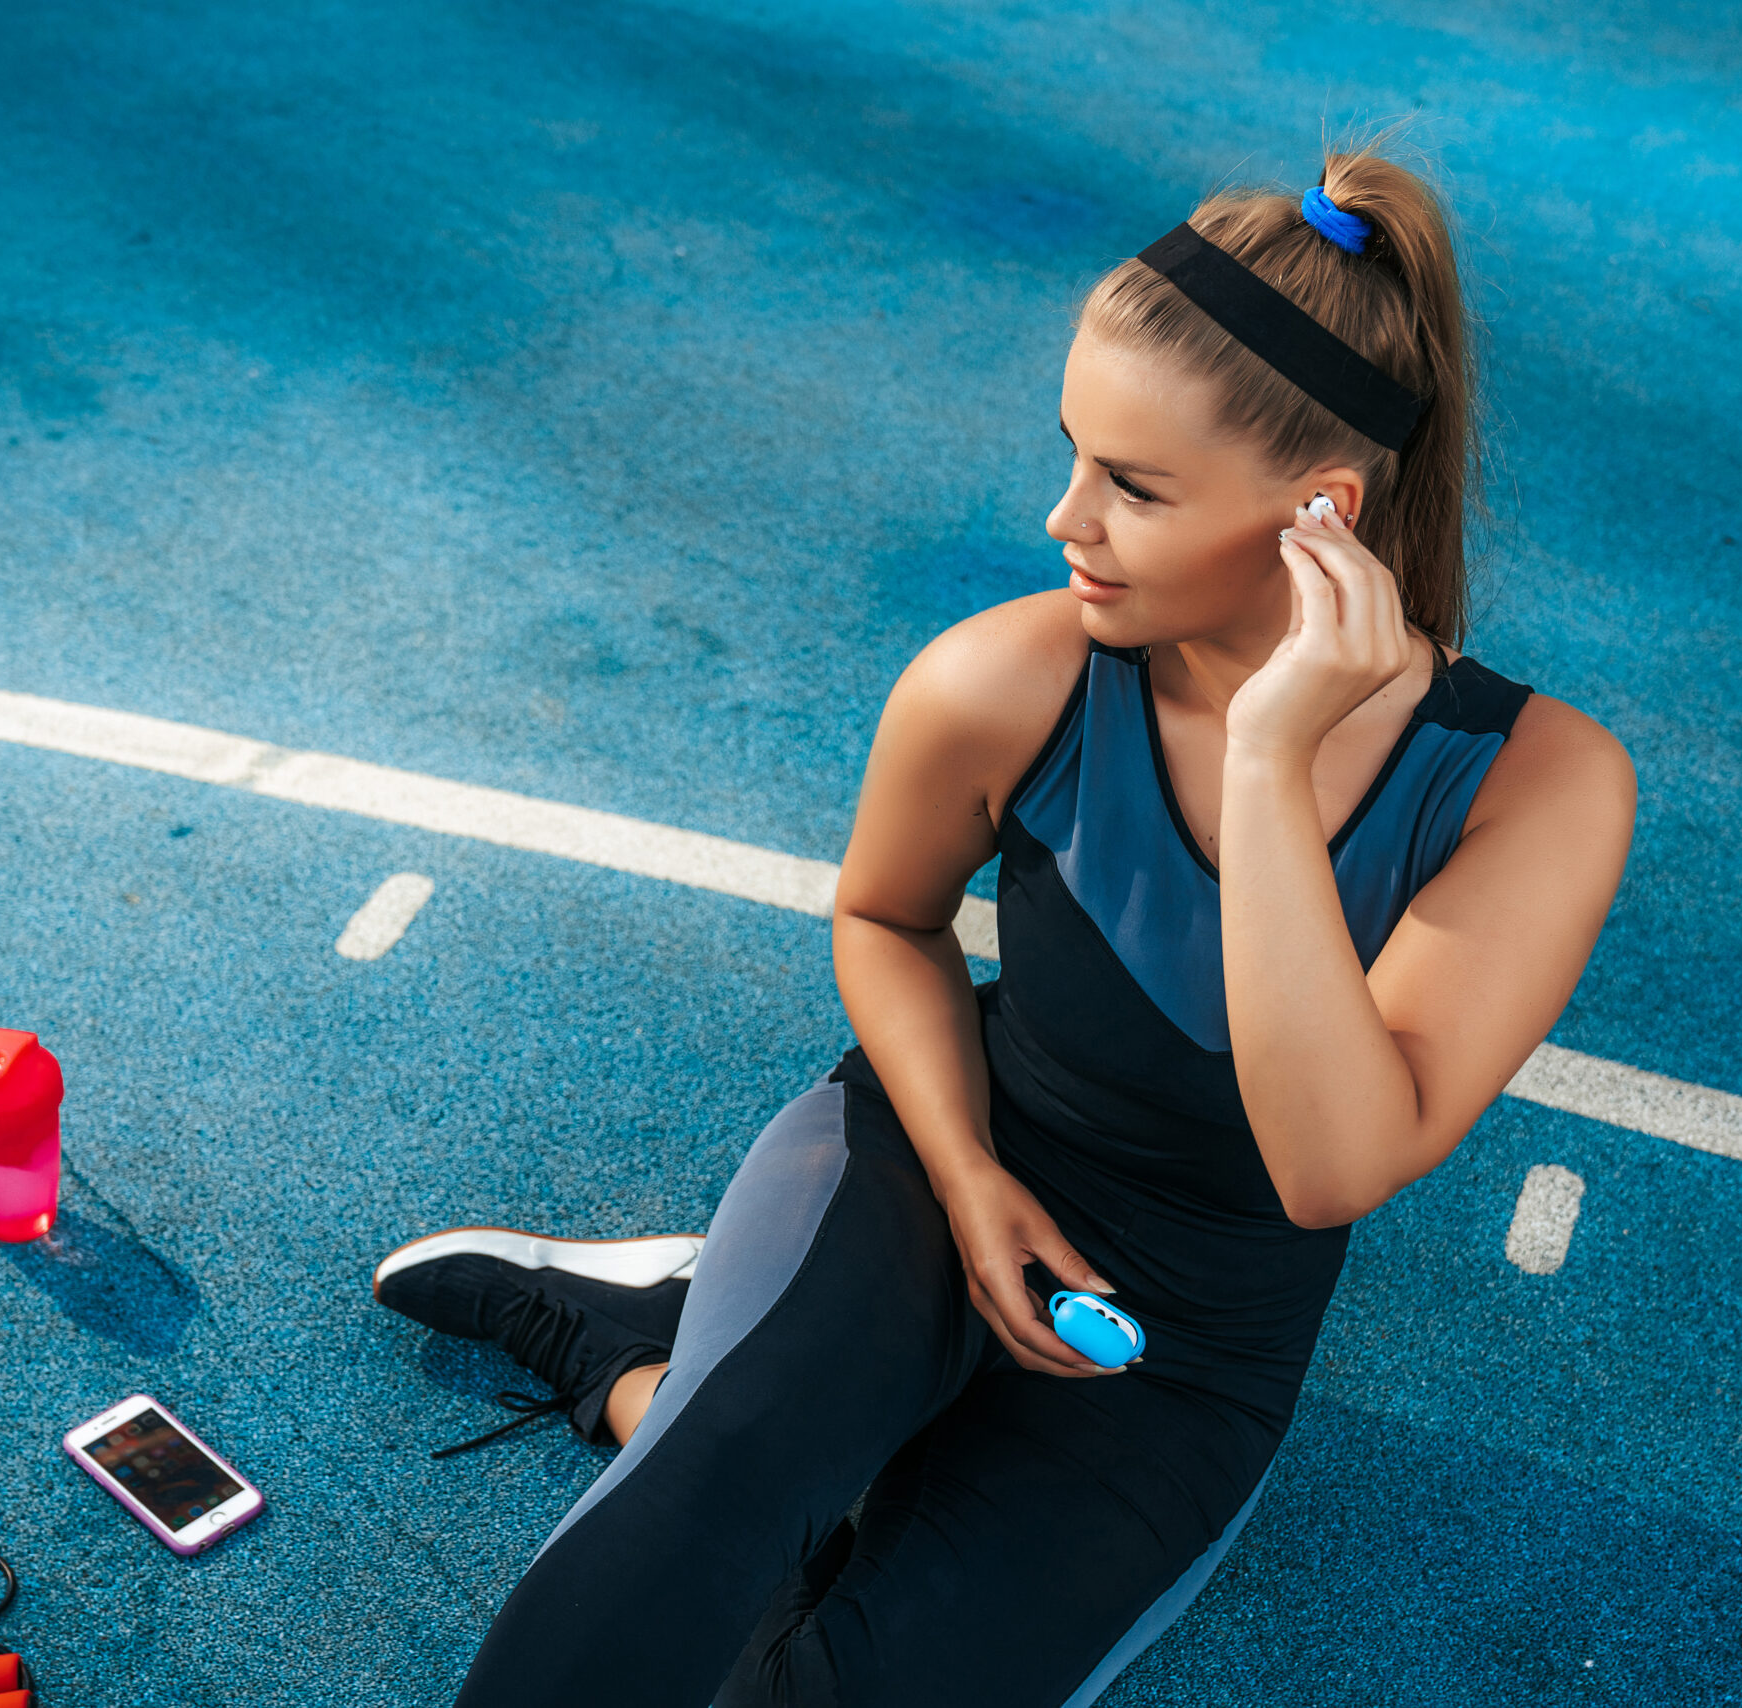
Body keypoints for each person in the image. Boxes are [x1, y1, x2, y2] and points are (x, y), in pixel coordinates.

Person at [372, 140, 1637, 1707]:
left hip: (1186, 1347)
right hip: (931, 1159)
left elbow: (1331, 1165)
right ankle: (665, 1360)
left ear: (1323, 511)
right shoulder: (1004, 679)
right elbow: (888, 923)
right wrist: (971, 1184)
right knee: (696, 1527)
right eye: (1074, 454)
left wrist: (1266, 752)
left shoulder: (1539, 787)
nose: (1064, 520)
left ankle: (671, 1369)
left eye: (1133, 486)